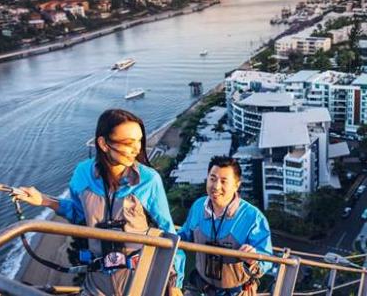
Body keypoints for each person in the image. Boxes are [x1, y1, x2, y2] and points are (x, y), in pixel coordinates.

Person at [15, 109, 185, 296]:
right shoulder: (83, 174)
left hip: (139, 278)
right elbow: (79, 214)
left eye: (139, 141)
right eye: (128, 143)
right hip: (98, 280)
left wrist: (174, 282)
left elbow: (167, 230)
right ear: (103, 144)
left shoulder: (148, 180)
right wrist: (44, 200)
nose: (137, 149)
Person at [179, 156, 273, 296]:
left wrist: (254, 259)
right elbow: (184, 235)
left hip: (236, 290)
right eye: (212, 179)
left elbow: (267, 258)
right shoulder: (199, 206)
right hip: (201, 285)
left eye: (224, 181)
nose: (216, 186)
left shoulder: (252, 217)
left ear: (236, 185)